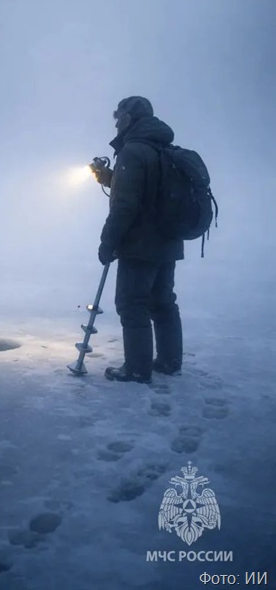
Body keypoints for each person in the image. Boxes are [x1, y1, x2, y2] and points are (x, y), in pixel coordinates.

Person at [97, 96, 184, 384]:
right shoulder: (163, 147)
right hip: (168, 241)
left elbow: (125, 205)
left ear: (128, 119)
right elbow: (148, 190)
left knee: (132, 304)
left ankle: (137, 369)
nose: (116, 124)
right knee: (163, 302)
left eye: (118, 117)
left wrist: (108, 242)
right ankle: (170, 362)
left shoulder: (133, 151)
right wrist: (110, 178)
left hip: (139, 245)